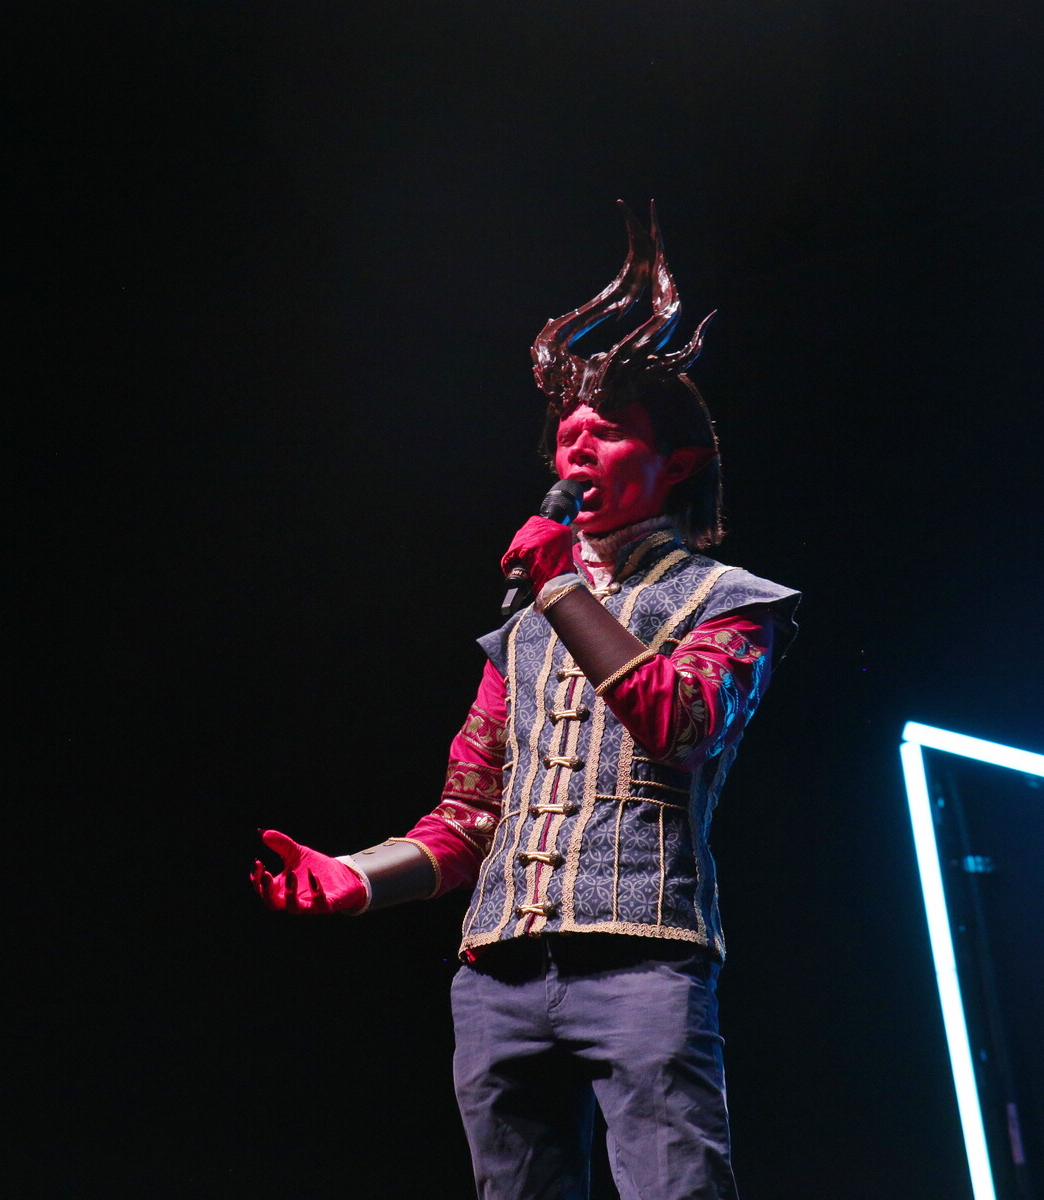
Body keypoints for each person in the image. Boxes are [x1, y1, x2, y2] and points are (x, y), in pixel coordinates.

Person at [252, 202, 799, 1200]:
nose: (577, 451)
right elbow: (470, 815)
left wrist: (559, 589)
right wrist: (355, 877)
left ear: (677, 464)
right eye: (568, 436)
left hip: (642, 965)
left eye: (608, 434)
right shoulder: (526, 633)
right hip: (499, 975)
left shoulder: (732, 602)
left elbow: (681, 723)